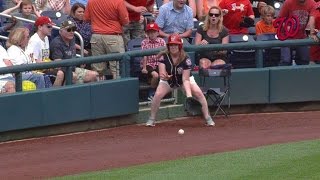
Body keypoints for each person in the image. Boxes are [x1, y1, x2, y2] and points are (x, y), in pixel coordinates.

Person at [145, 34, 214, 127]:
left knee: (199, 93)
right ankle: (152, 119)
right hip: (168, 80)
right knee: (157, 95)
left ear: (179, 46)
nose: (173, 47)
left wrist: (189, 96)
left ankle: (208, 118)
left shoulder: (186, 59)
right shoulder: (163, 56)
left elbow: (185, 79)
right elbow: (161, 73)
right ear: (168, 46)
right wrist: (165, 76)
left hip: (184, 80)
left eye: (175, 45)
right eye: (171, 45)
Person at [84, 0, 129, 80]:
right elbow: (125, 21)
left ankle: (100, 90)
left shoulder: (91, 1)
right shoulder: (118, 1)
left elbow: (86, 18)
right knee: (117, 68)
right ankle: (118, 89)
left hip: (96, 37)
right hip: (113, 36)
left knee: (98, 68)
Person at [26, 16, 64, 86]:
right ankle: (52, 95)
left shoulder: (46, 38)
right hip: (36, 71)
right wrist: (49, 65)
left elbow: (45, 58)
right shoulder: (34, 41)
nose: (51, 29)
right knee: (60, 74)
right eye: (48, 27)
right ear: (40, 27)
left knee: (66, 70)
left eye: (51, 27)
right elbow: (32, 61)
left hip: (45, 68)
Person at [277, 0, 316, 66]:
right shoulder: (288, 2)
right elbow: (279, 20)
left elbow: (312, 19)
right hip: (286, 37)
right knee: (286, 60)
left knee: (304, 60)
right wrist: (286, 27)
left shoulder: (312, 3)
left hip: (302, 37)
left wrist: (311, 32)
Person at [141, 22, 166, 100]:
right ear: (147, 33)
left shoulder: (162, 41)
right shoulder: (144, 42)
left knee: (163, 75)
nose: (152, 34)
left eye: (154, 32)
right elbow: (144, 56)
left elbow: (165, 54)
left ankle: (162, 92)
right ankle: (151, 92)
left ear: (158, 32)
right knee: (155, 75)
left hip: (159, 63)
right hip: (149, 64)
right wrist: (144, 68)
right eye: (150, 32)